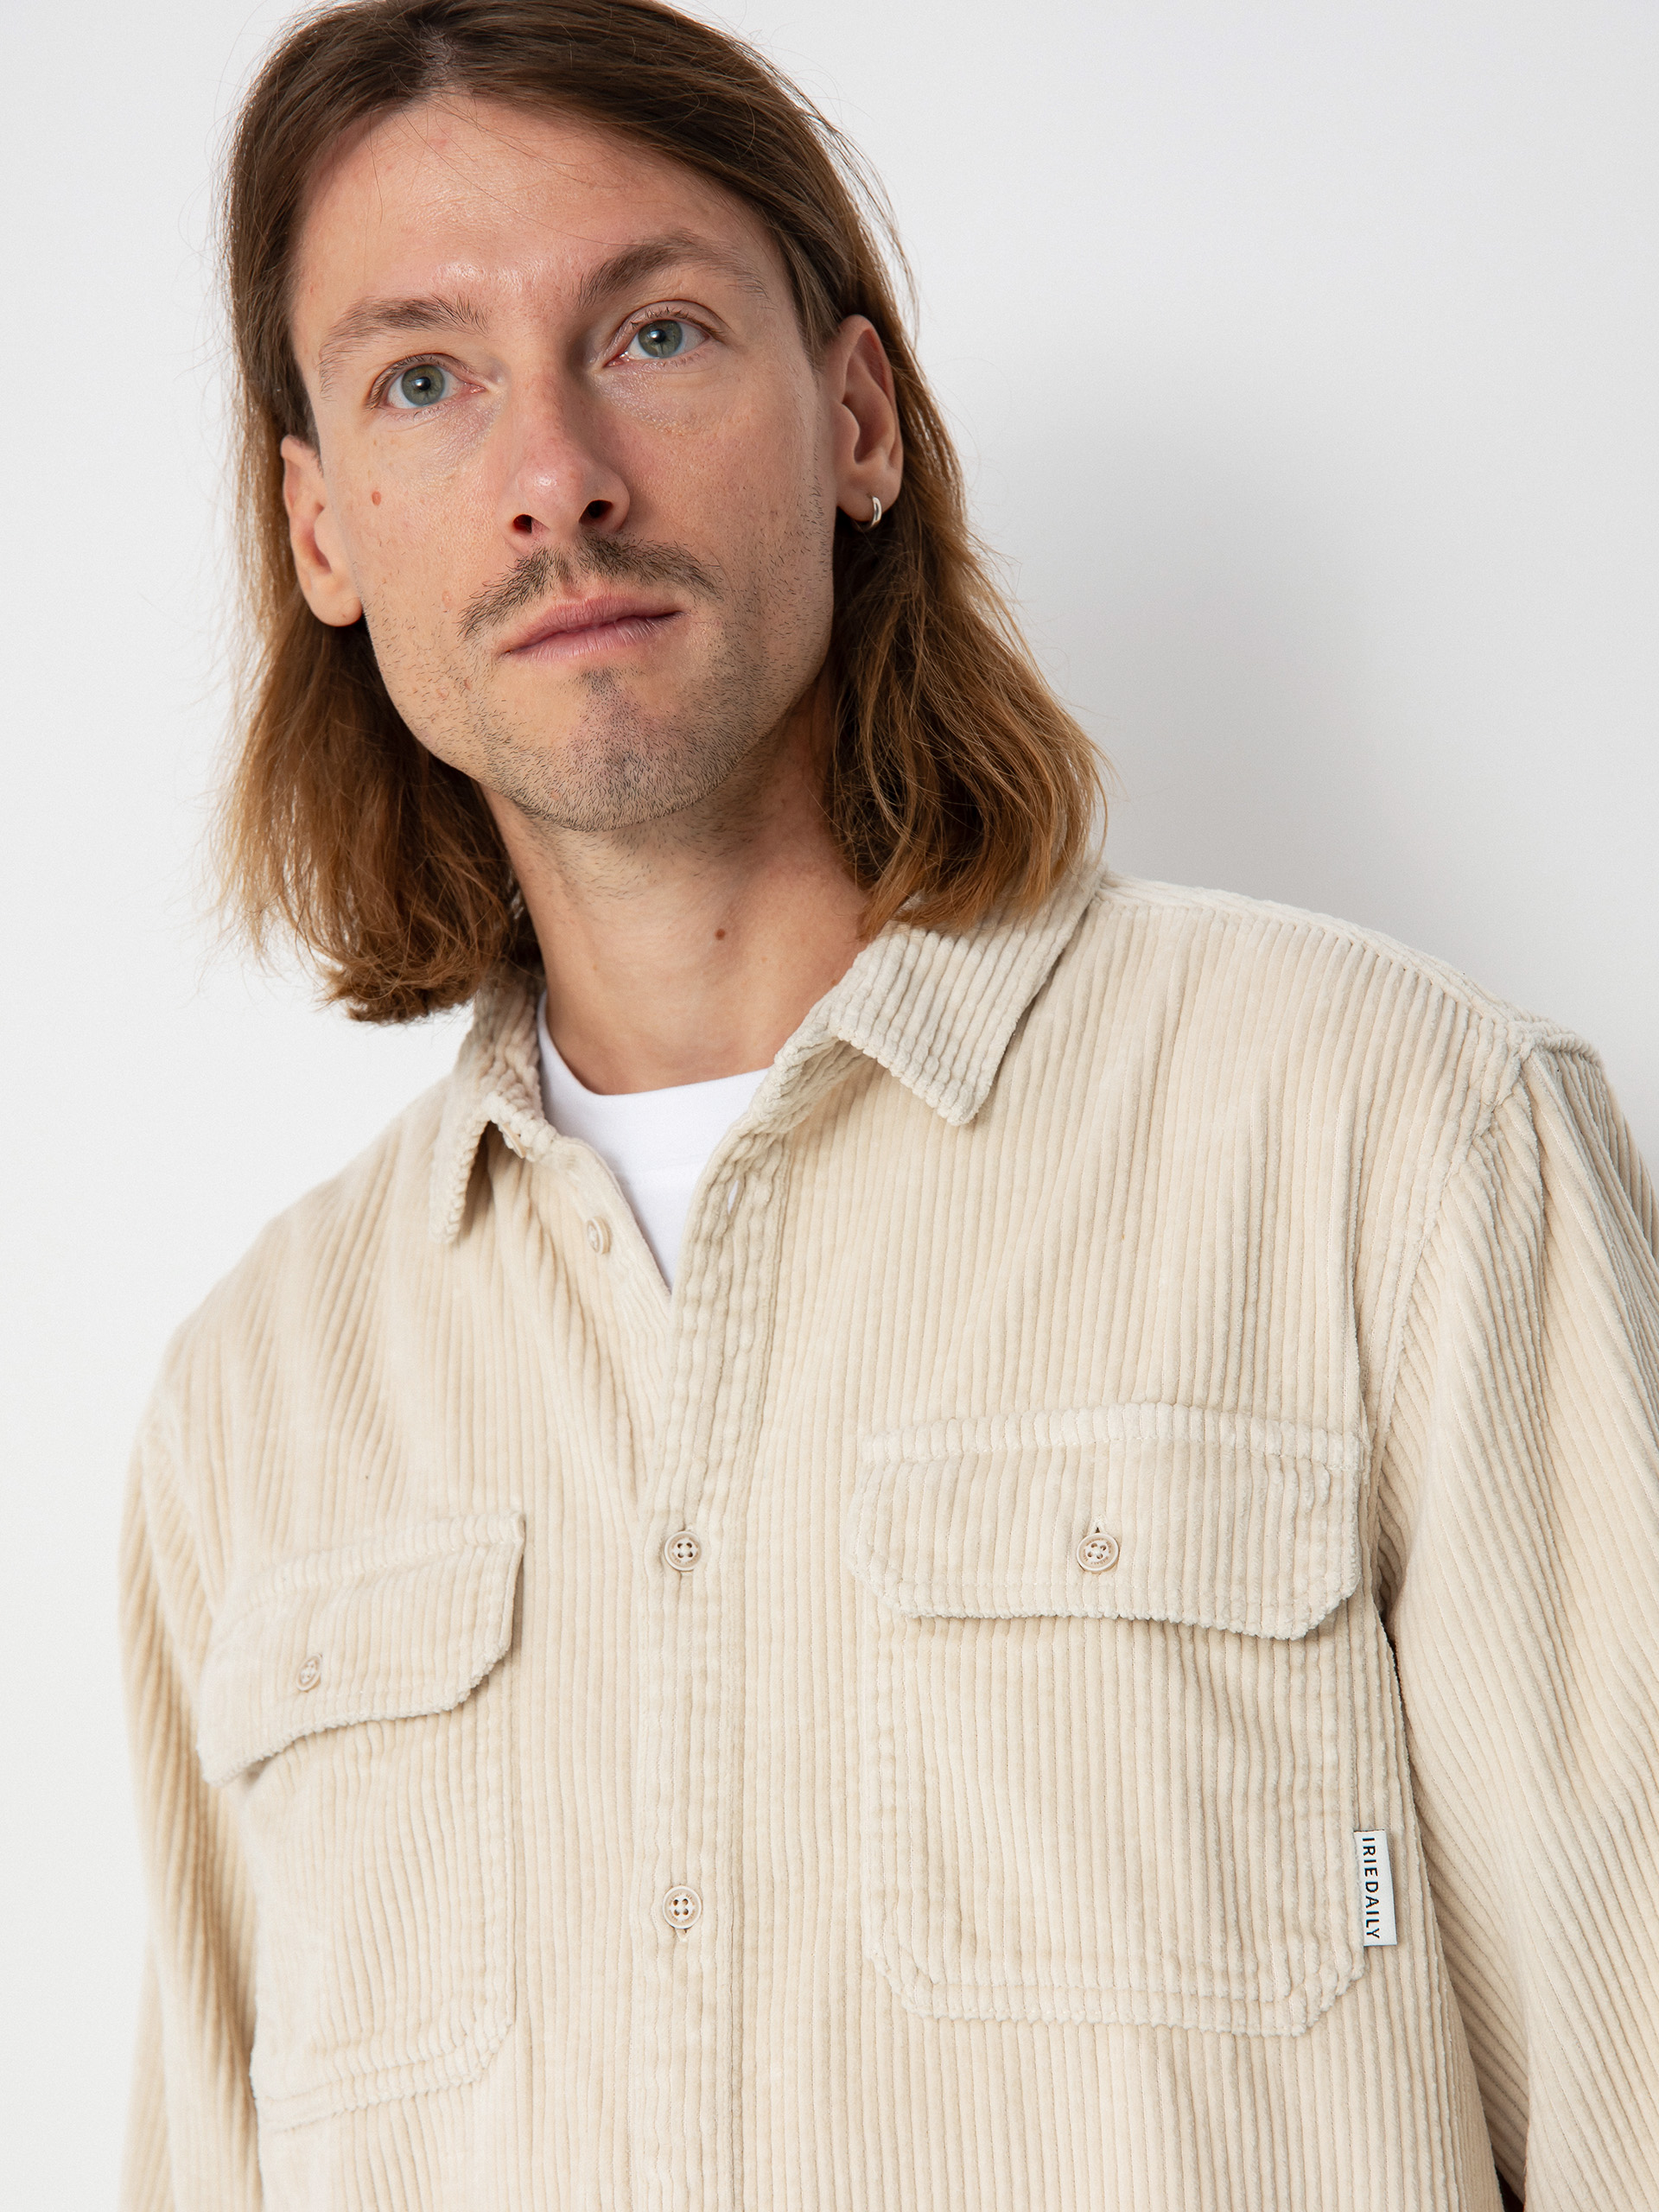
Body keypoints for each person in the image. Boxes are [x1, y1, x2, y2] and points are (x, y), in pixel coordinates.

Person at [118, 2, 1659, 2206]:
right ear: (322, 528)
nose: (555, 474)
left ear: (856, 420)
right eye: (423, 379)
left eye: (651, 332)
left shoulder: (1399, 1144)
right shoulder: (253, 1410)